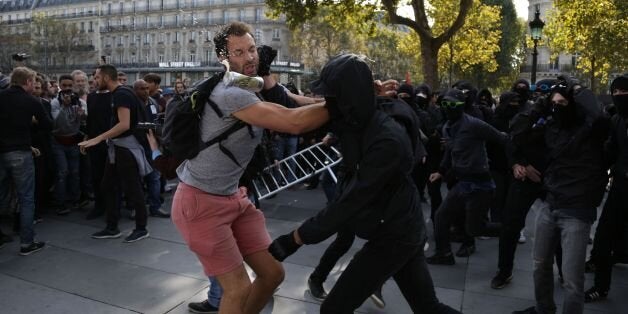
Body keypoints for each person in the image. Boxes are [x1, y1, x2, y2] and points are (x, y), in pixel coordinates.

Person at [268, 54, 460, 314]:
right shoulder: (355, 116)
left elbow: (351, 201)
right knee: (428, 307)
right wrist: (264, 79)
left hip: (395, 234)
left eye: (331, 96)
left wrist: (296, 238)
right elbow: (295, 112)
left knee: (334, 309)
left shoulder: (387, 140)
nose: (327, 102)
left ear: (347, 97)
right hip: (402, 225)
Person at [171, 21, 328, 314]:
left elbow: (291, 103)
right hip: (200, 203)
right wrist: (346, 100)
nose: (250, 57)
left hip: (233, 197)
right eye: (239, 52)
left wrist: (327, 102)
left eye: (252, 49)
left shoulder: (247, 83)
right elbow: (292, 121)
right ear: (224, 58)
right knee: (238, 288)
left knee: (273, 274)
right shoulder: (231, 92)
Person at [513, 78, 609, 314]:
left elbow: (599, 117)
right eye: (554, 103)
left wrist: (579, 90)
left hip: (577, 209)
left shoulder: (589, 129)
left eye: (562, 102)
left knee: (573, 278)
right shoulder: (551, 127)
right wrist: (540, 106)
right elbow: (518, 132)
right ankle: (544, 308)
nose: (558, 106)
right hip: (551, 203)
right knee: (540, 264)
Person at [426, 89, 507, 264]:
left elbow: (501, 138)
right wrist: (440, 171)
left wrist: (512, 164)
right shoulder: (447, 127)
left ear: (462, 106)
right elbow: (449, 151)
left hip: (480, 185)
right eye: (445, 104)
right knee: (441, 216)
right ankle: (444, 254)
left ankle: (509, 230)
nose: (448, 108)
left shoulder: (474, 125)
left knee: (475, 228)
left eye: (453, 105)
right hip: (462, 183)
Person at [80, 64, 153, 243]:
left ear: (105, 78)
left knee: (133, 189)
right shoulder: (120, 94)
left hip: (125, 149)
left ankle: (141, 228)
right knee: (108, 185)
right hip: (118, 148)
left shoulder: (121, 94)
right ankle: (112, 226)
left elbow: (124, 124)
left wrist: (97, 139)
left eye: (97, 78)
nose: (95, 81)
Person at [583, 74, 628, 303]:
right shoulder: (617, 120)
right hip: (621, 188)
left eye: (624, 91)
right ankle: (601, 286)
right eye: (616, 91)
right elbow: (610, 152)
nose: (620, 96)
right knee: (602, 238)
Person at [0, 67, 51, 255]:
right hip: (21, 152)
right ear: (28, 82)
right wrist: (31, 122)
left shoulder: (1, 96)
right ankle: (27, 243)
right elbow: (47, 125)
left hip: (1, 152)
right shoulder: (31, 101)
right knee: (26, 198)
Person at [50, 74, 87, 215]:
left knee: (75, 172)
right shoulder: (55, 102)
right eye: (64, 86)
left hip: (73, 141)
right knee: (62, 172)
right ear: (60, 85)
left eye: (69, 86)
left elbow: (85, 121)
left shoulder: (79, 102)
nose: (67, 89)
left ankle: (75, 199)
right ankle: (60, 202)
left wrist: (82, 115)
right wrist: (64, 107)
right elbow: (55, 123)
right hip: (59, 142)